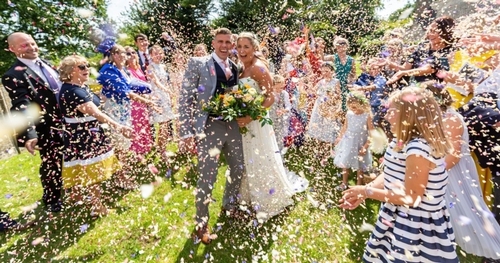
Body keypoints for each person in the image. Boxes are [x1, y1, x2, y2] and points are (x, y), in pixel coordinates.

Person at [339, 87, 458, 262]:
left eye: (392, 111)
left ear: (408, 114)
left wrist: (367, 192)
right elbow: (390, 174)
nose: (386, 116)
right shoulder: (402, 141)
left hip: (416, 227)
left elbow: (412, 198)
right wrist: (366, 188)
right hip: (398, 217)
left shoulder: (418, 149)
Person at [178, 28, 244, 245]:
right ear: (213, 42)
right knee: (208, 176)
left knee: (238, 167)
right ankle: (201, 223)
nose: (225, 45)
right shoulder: (197, 63)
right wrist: (186, 132)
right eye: (220, 41)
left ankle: (228, 205)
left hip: (232, 125)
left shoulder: (234, 66)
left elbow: (233, 94)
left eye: (228, 42)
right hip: (209, 126)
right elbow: (185, 97)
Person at [236, 32, 309, 221]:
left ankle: (269, 198)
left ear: (254, 48)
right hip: (244, 120)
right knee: (248, 156)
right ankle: (250, 195)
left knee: (260, 156)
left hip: (257, 121)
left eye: (246, 47)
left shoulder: (259, 68)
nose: (242, 50)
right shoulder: (240, 68)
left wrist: (249, 117)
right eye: (239, 47)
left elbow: (269, 98)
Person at [426, 82, 500, 261]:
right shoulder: (434, 117)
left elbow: (453, 156)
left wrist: (431, 173)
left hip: (452, 173)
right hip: (439, 171)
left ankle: (493, 253)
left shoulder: (450, 118)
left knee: (467, 212)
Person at [58, 55, 133, 217]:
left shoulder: (80, 87)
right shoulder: (73, 91)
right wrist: (119, 126)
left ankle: (80, 198)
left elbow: (98, 104)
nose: (87, 69)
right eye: (82, 67)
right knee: (91, 172)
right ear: (71, 71)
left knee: (87, 170)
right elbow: (96, 112)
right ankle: (97, 206)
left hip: (87, 133)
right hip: (85, 136)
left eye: (87, 65)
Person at [2, 32, 64, 212]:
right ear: (12, 49)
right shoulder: (12, 75)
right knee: (52, 162)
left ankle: (74, 186)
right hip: (46, 125)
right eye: (24, 46)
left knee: (72, 155)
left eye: (32, 43)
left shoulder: (47, 63)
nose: (31, 48)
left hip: (67, 120)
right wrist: (30, 134)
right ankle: (52, 198)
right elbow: (22, 104)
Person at [97, 44, 156, 188]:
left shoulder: (121, 70)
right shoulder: (108, 71)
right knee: (119, 145)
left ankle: (122, 172)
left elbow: (132, 84)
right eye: (124, 53)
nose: (126, 56)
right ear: (115, 55)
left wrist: (148, 88)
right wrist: (147, 101)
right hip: (114, 112)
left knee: (123, 145)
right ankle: (120, 178)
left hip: (124, 110)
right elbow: (125, 92)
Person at [385, 16, 457, 86]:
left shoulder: (449, 51)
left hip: (435, 90)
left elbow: (429, 69)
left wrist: (404, 73)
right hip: (416, 88)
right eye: (429, 30)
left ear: (445, 32)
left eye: (434, 31)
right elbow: (404, 68)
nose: (430, 34)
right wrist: (387, 63)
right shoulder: (422, 46)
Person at [333, 92, 373, 189]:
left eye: (354, 107)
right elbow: (345, 127)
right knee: (345, 161)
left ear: (361, 104)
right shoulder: (349, 114)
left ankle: (359, 185)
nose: (352, 110)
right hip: (348, 141)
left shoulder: (366, 116)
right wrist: (339, 137)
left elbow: (372, 133)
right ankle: (344, 182)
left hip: (360, 142)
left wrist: (365, 146)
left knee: (360, 164)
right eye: (351, 108)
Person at [306, 62, 341, 165]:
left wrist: (332, 99)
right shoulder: (321, 82)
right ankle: (320, 151)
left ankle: (327, 153)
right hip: (319, 107)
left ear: (332, 71)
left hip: (329, 108)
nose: (325, 73)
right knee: (319, 127)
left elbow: (339, 96)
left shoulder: (336, 82)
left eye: (327, 71)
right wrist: (308, 84)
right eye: (323, 71)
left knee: (328, 128)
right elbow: (313, 91)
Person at [148, 45, 176, 155]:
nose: (159, 55)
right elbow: (156, 82)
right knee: (162, 123)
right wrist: (168, 91)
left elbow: (167, 81)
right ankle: (161, 148)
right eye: (155, 53)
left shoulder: (163, 66)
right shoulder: (150, 67)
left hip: (166, 96)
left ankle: (161, 146)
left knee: (166, 123)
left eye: (160, 53)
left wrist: (170, 94)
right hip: (158, 97)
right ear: (150, 55)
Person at [124, 46, 153, 156]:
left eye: (133, 52)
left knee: (144, 123)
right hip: (134, 103)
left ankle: (145, 147)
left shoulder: (138, 68)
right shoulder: (126, 71)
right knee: (136, 125)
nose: (131, 55)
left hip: (143, 103)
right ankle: (137, 151)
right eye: (128, 54)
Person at [332, 37, 356, 113]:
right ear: (335, 46)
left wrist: (351, 81)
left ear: (347, 46)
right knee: (336, 108)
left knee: (347, 107)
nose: (341, 45)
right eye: (338, 43)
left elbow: (354, 74)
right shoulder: (332, 57)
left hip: (346, 85)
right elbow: (320, 59)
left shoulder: (351, 60)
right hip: (336, 86)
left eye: (343, 43)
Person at [269, 74, 292, 153]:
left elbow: (288, 106)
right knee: (269, 135)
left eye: (281, 87)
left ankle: (279, 154)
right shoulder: (269, 93)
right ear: (274, 85)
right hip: (270, 117)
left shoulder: (284, 93)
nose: (280, 89)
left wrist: (284, 110)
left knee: (279, 136)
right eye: (277, 87)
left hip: (280, 119)